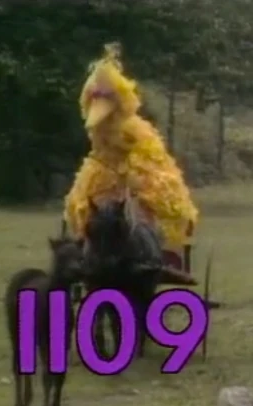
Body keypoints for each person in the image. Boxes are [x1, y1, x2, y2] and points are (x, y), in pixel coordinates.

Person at [63, 42, 199, 250]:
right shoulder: (99, 134)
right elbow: (99, 154)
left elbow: (147, 161)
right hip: (105, 177)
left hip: (137, 181)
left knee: (148, 208)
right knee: (84, 207)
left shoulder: (136, 132)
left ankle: (144, 242)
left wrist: (132, 183)